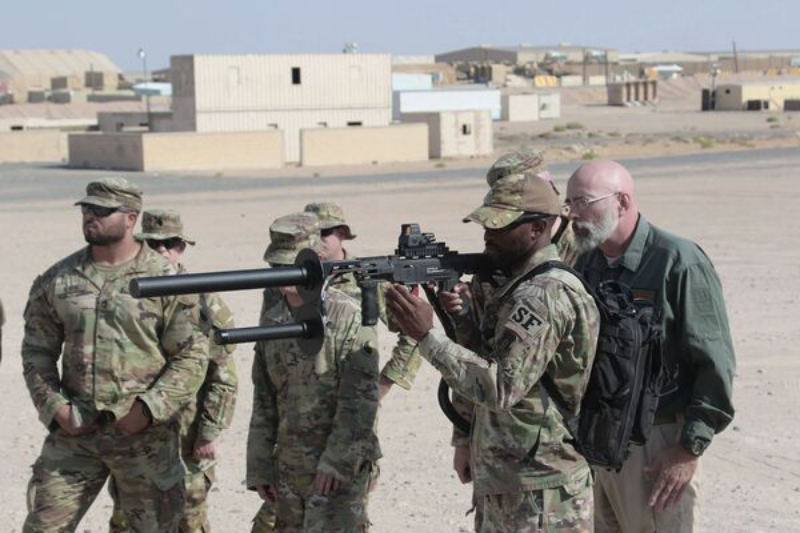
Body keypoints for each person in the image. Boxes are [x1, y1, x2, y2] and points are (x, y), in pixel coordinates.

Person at [385, 173, 600, 532]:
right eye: (486, 225)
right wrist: (462, 320)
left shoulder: (542, 295)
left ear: (538, 228)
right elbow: (489, 360)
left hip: (542, 491)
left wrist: (427, 337)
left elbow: (501, 387)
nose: (487, 235)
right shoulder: (516, 285)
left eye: (499, 226)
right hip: (510, 480)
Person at [21, 178, 209, 532]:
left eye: (102, 211)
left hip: (145, 437)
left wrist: (148, 409)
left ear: (131, 218)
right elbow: (37, 350)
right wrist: (56, 407)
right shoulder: (59, 279)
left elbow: (192, 354)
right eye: (87, 209)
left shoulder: (164, 279)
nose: (90, 216)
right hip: (77, 433)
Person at [565, 159, 736, 533]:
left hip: (656, 443)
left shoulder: (678, 261)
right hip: (597, 440)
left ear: (622, 202)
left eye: (583, 202)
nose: (573, 214)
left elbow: (714, 362)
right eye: (569, 202)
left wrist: (688, 449)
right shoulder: (585, 263)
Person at [247, 212, 381, 532]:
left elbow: (359, 401)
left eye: (289, 265)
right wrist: (260, 465)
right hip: (289, 467)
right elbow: (264, 398)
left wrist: (337, 460)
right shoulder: (273, 321)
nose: (281, 274)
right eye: (276, 266)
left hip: (336, 469)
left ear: (316, 263)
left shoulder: (347, 317)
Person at [107, 209, 238, 533]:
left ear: (182, 247)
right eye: (155, 244)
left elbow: (223, 372)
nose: (164, 251)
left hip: (185, 432)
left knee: (188, 515)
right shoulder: (124, 295)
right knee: (128, 515)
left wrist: (209, 430)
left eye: (172, 243)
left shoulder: (204, 297)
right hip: (134, 426)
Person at [303, 201, 421, 400]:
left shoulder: (366, 277)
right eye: (309, 236)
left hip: (353, 404)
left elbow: (414, 332)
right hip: (302, 403)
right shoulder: (292, 282)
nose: (314, 243)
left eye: (323, 233)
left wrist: (382, 387)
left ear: (342, 233)